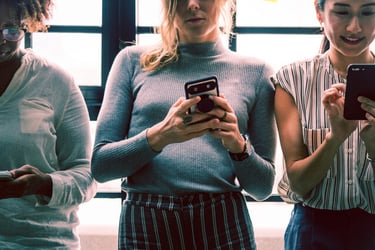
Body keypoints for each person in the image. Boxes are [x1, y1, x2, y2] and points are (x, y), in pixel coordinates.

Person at [91, 0, 276, 249]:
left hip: (221, 217)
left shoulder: (257, 72)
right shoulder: (132, 61)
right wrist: (161, 135)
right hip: (147, 216)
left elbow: (262, 188)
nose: (192, 4)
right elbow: (101, 166)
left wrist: (238, 145)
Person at [272, 0, 375, 249]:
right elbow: (298, 183)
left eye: (368, 12)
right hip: (313, 228)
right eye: (341, 12)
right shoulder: (292, 78)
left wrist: (372, 141)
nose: (354, 27)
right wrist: (334, 138)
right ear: (319, 13)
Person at [0, 0, 97, 249]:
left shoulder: (54, 81)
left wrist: (44, 184)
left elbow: (87, 175)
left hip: (42, 242)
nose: (1, 40)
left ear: (27, 24)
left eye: (11, 30)